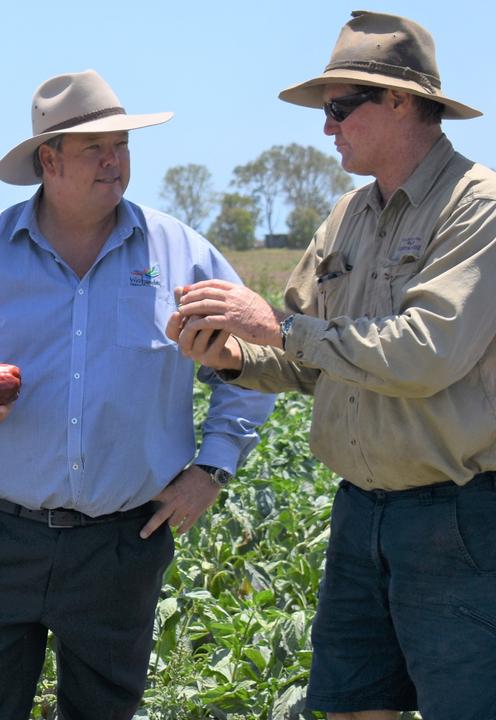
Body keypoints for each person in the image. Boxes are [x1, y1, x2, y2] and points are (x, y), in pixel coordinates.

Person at [0, 70, 276, 720]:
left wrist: (213, 467)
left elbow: (251, 362)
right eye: (95, 147)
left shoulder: (179, 254)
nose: (113, 160)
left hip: (120, 546)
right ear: (48, 159)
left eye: (121, 145)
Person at [169, 12, 496, 720]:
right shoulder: (347, 215)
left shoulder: (479, 207)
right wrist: (230, 355)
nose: (327, 128)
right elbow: (307, 358)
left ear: (401, 101)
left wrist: (280, 326)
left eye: (340, 108)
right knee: (354, 708)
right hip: (357, 511)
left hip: (458, 519)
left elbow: (423, 354)